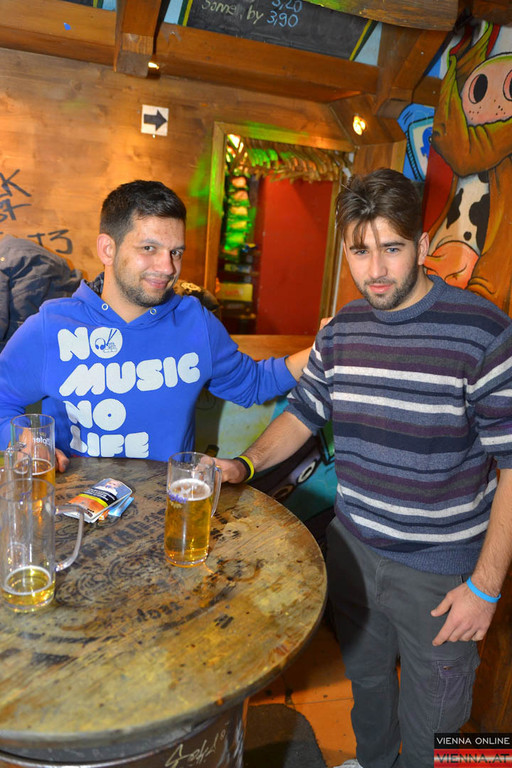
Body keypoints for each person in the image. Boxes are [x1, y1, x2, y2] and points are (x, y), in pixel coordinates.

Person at [217, 168, 512, 768]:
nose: (375, 270)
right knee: (369, 689)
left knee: (442, 731)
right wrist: (243, 464)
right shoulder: (342, 331)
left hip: (441, 575)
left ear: (423, 246)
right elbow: (302, 414)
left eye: (392, 249)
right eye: (360, 251)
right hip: (352, 552)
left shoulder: (484, 332)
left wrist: (485, 588)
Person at [0, 180, 310, 469]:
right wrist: (25, 440)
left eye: (176, 252)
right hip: (76, 505)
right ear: (108, 249)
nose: (167, 267)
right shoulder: (50, 327)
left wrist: (323, 348)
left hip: (168, 504)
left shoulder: (196, 322)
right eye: (149, 248)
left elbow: (254, 384)